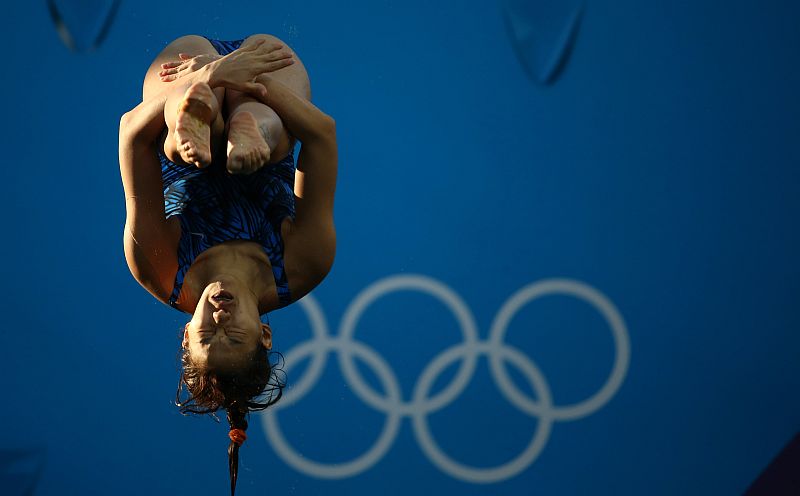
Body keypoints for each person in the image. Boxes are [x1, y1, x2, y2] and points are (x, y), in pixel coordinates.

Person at [118, 34, 337, 495]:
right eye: (233, 334)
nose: (219, 317)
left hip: (180, 94)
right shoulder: (302, 266)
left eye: (205, 334)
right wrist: (250, 80)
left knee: (180, 147)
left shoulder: (159, 269)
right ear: (264, 333)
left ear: (186, 332)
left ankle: (193, 118)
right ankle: (241, 125)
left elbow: (131, 136)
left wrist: (209, 75)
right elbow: (321, 135)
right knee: (272, 139)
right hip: (267, 93)